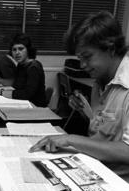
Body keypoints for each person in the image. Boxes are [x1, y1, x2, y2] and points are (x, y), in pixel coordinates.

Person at [29, 10, 129, 179]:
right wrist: (86, 113)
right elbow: (105, 130)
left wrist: (71, 139)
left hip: (118, 184)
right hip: (94, 168)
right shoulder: (102, 81)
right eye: (79, 58)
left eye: (87, 57)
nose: (82, 65)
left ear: (110, 48)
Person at [10, 33, 47, 107]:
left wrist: (8, 94)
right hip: (23, 104)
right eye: (14, 50)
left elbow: (27, 94)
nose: (17, 53)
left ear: (28, 50)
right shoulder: (21, 65)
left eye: (21, 49)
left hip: (35, 108)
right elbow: (16, 86)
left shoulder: (33, 67)